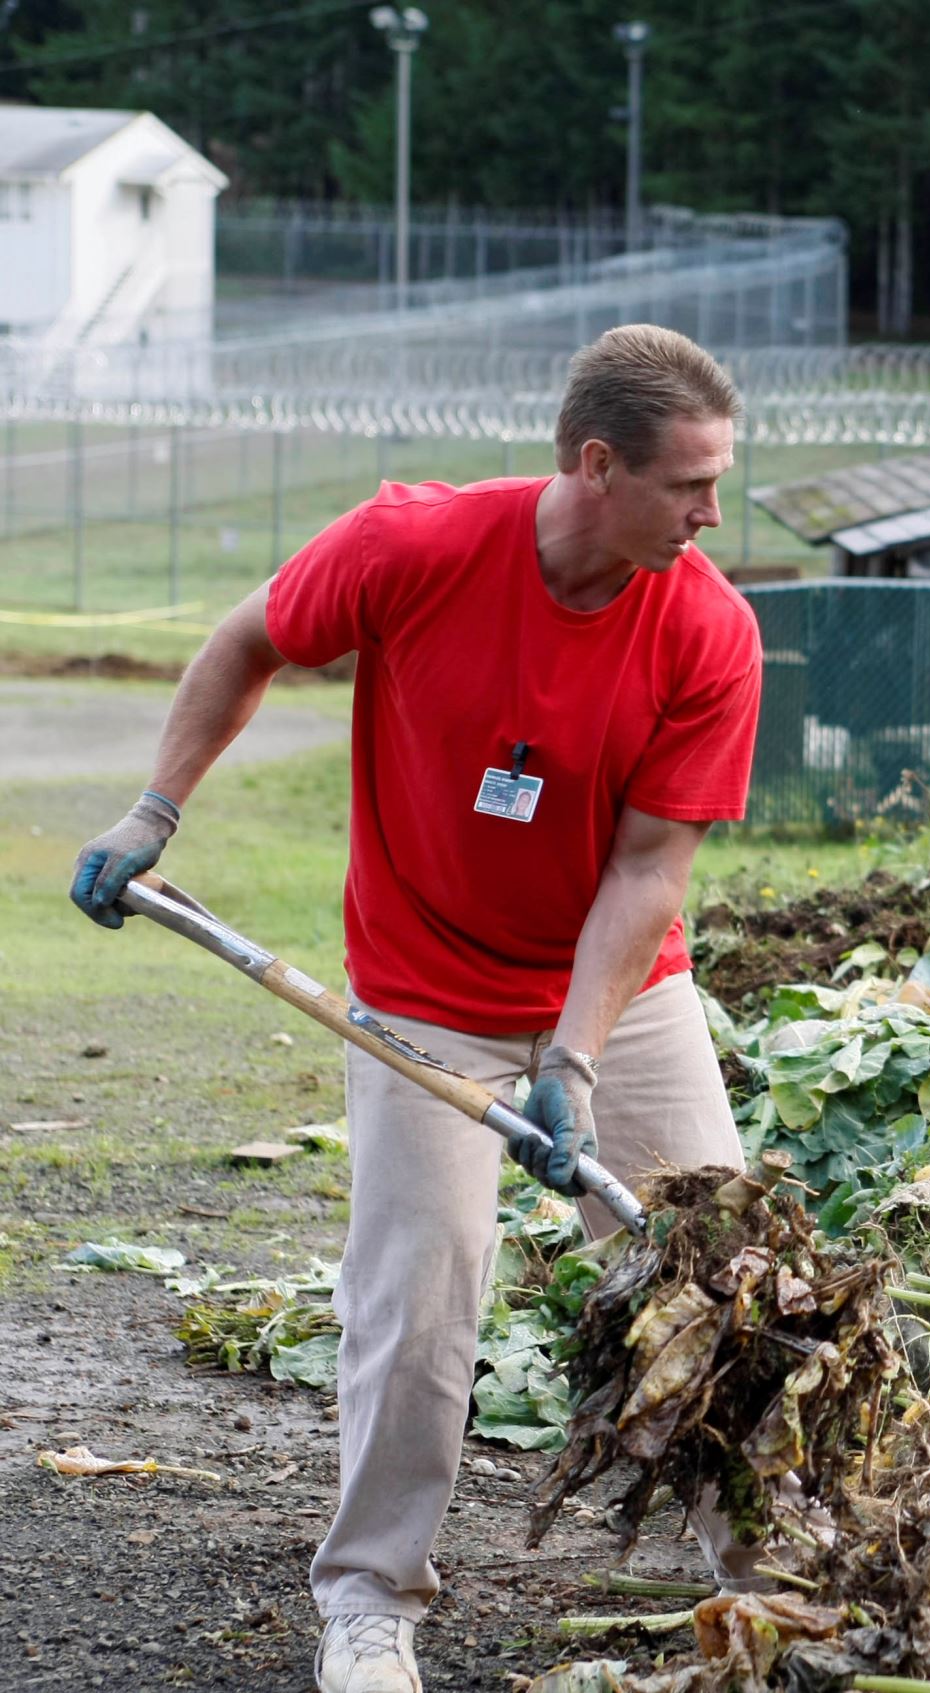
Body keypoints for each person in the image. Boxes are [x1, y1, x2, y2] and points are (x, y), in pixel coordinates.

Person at [68, 325, 767, 1693]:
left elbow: (647, 869)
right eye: (689, 484)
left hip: (621, 999)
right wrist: (157, 806)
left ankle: (768, 1567)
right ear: (595, 462)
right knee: (423, 1290)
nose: (712, 512)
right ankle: (371, 1597)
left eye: (719, 482)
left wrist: (570, 1046)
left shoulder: (707, 627)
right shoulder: (414, 547)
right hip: (421, 991)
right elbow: (249, 638)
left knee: (709, 1268)